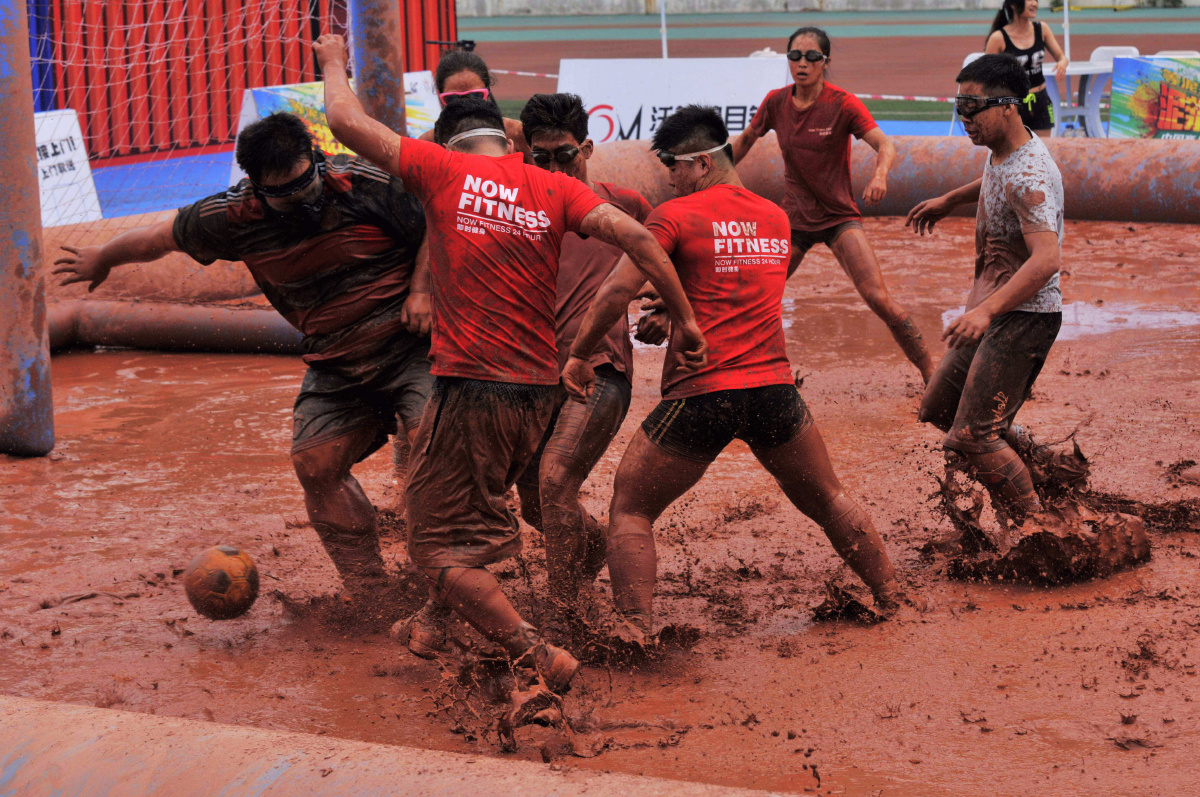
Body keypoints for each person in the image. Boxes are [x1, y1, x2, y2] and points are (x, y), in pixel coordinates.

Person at [314, 34, 705, 693]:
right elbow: (640, 236)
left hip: (472, 389)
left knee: (430, 544)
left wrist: (331, 60)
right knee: (480, 508)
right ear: (511, 142)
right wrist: (686, 318)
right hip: (536, 396)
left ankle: (536, 651)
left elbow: (346, 121)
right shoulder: (551, 188)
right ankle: (438, 621)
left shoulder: (441, 171)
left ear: (448, 144)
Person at [562, 106, 919, 644]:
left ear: (701, 163)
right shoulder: (775, 218)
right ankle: (893, 596)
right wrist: (667, 313)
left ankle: (634, 628)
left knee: (630, 506)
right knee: (827, 496)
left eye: (674, 169)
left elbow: (615, 290)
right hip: (774, 389)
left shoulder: (673, 218)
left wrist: (578, 354)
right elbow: (726, 288)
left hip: (703, 395)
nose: (670, 181)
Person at [52, 112, 432, 616]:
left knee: (438, 442)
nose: (300, 202)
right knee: (315, 466)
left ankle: (447, 584)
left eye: (304, 186)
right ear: (254, 185)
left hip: (412, 346)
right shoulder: (233, 216)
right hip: (336, 363)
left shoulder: (363, 183)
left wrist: (424, 289)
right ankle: (373, 594)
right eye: (283, 196)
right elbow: (159, 237)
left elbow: (440, 221)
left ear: (315, 161)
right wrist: (103, 257)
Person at [509, 92, 653, 643]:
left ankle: (569, 617)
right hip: (527, 375)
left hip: (598, 371)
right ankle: (594, 548)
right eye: (538, 159)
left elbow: (676, 253)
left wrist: (665, 307)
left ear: (587, 148)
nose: (551, 169)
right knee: (537, 504)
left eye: (563, 156)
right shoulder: (514, 208)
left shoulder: (626, 207)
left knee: (555, 480)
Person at [906, 54, 1064, 525]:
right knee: (939, 408)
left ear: (1010, 106)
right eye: (960, 106)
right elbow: (998, 175)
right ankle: (1051, 470)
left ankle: (1040, 528)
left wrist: (984, 312)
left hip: (1023, 315)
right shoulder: (1006, 153)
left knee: (974, 435)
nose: (965, 119)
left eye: (974, 108)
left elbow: (1048, 260)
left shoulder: (1029, 176)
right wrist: (951, 199)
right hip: (996, 310)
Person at [731, 26, 934, 384]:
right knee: (758, 298)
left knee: (877, 297)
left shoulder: (842, 104)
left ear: (826, 62)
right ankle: (755, 373)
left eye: (812, 57)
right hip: (794, 220)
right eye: (795, 56)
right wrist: (713, 175)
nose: (802, 63)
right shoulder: (776, 102)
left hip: (839, 217)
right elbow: (745, 140)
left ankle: (931, 371)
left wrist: (880, 176)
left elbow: (885, 145)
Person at [419, 48, 530, 157]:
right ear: (440, 96)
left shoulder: (517, 133)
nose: (466, 106)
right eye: (453, 98)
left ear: (487, 92)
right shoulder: (427, 144)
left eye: (475, 96)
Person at [985, 0, 1069, 138]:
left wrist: (1062, 64)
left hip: (1041, 101)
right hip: (1013, 105)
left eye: (1036, 0)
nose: (1034, 3)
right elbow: (986, 77)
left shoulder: (1042, 29)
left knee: (1042, 153)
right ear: (1013, 4)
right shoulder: (998, 38)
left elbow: (1062, 57)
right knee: (1016, 155)